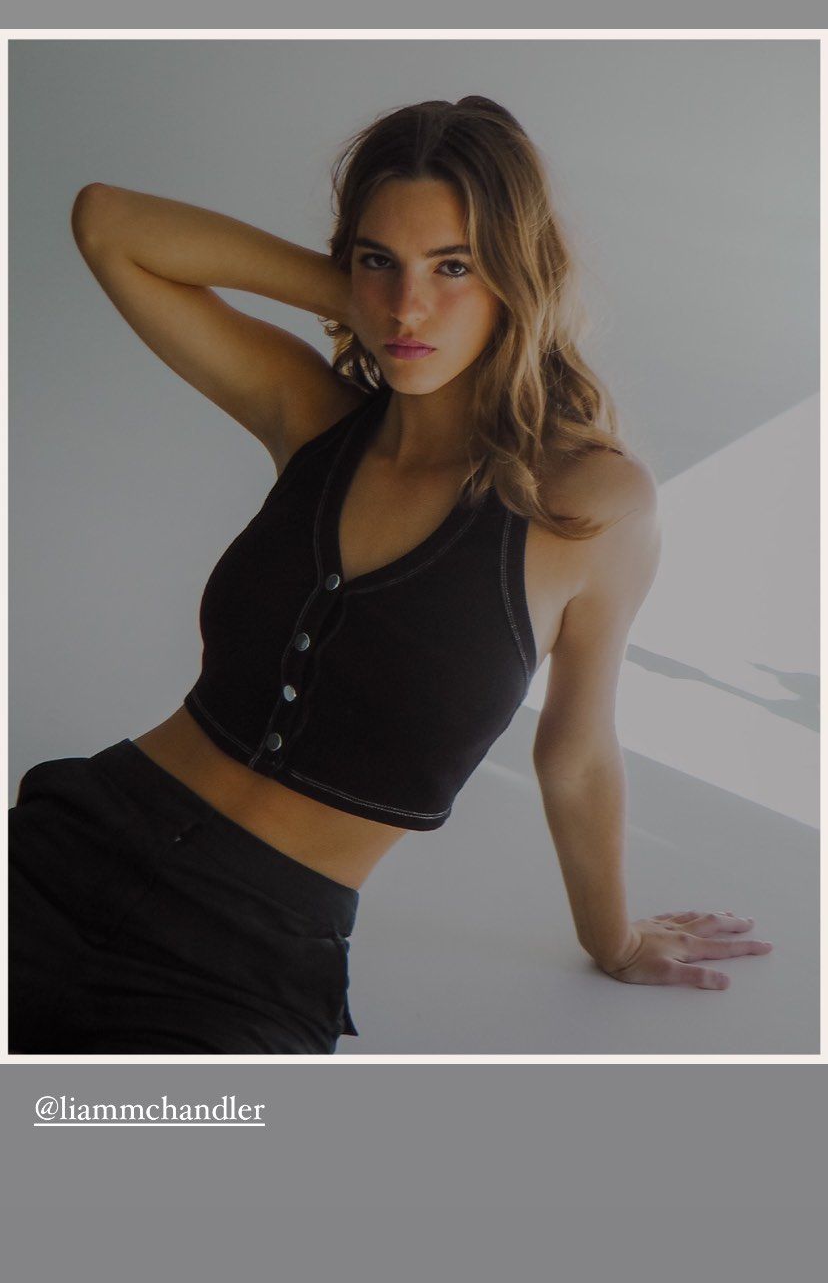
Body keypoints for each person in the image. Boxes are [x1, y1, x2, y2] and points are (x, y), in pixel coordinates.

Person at [9, 95, 773, 1054]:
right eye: (380, 260)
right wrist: (366, 302)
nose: (411, 306)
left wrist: (612, 940)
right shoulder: (311, 417)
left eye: (455, 266)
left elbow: (576, 753)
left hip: (251, 955)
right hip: (70, 847)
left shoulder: (587, 504)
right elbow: (108, 223)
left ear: (518, 274)